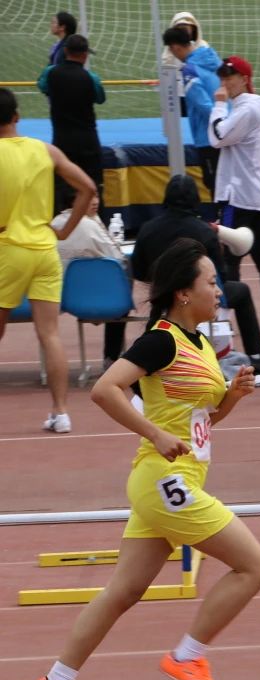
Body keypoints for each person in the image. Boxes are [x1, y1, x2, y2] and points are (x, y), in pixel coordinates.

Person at [28, 238, 260, 680]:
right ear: (183, 293)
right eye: (211, 282)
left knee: (123, 591)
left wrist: (232, 397)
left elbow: (201, 422)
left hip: (166, 481)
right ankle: (188, 656)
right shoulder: (160, 340)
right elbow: (104, 389)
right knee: (253, 567)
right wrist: (154, 433)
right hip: (165, 480)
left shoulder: (200, 344)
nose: (219, 290)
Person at [0, 87, 95, 434]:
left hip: (8, 247)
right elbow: (88, 188)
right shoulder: (45, 150)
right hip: (44, 248)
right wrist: (65, 229)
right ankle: (61, 412)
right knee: (50, 334)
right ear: (17, 116)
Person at [131, 174, 260, 376]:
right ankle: (256, 355)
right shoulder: (204, 231)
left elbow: (139, 271)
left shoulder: (147, 229)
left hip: (161, 295)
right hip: (195, 297)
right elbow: (220, 276)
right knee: (242, 292)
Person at [209, 56, 260, 335]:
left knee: (231, 258)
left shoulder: (245, 110)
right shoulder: (255, 107)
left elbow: (217, 137)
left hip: (240, 195)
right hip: (259, 195)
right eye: (222, 78)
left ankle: (225, 316)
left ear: (244, 79)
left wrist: (218, 105)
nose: (225, 83)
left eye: (230, 77)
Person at [50, 192, 128, 366]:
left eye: (96, 197)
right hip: (102, 299)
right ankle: (111, 357)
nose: (95, 202)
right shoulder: (90, 225)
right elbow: (118, 258)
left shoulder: (54, 224)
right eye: (89, 197)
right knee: (123, 281)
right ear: (74, 201)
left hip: (61, 297)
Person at [38, 34, 104, 204]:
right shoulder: (91, 78)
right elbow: (100, 98)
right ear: (85, 55)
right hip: (88, 141)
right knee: (93, 188)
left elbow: (42, 86)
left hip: (62, 140)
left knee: (63, 189)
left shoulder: (50, 73)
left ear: (65, 51)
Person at [162, 26, 222, 196]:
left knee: (214, 183)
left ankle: (221, 212)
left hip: (208, 135)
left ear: (175, 47)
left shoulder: (189, 71)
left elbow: (202, 104)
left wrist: (220, 125)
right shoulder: (212, 58)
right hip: (225, 130)